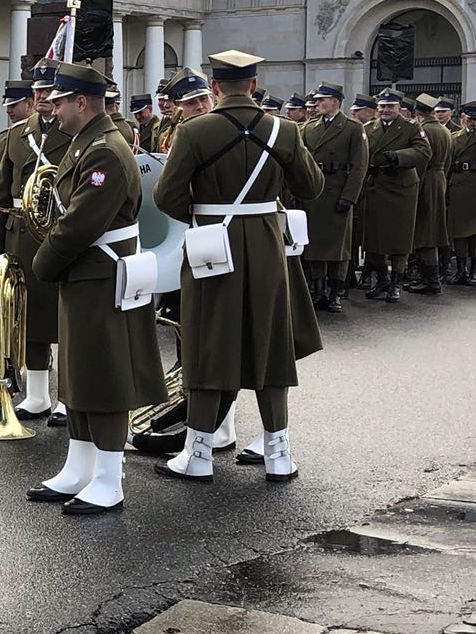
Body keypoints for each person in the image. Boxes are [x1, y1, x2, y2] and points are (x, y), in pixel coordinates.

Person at [152, 50, 322, 483]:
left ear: (214, 87)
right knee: (269, 343)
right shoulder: (285, 129)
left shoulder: (194, 131)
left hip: (213, 243)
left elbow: (166, 196)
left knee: (209, 339)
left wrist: (206, 212)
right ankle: (278, 452)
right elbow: (312, 186)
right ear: (253, 83)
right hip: (265, 245)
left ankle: (200, 453)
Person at [25, 61, 165, 514]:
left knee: (103, 377)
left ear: (81, 102)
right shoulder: (88, 141)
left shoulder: (103, 149)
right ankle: (79, 465)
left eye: (60, 102)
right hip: (86, 273)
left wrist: (42, 262)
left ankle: (108, 476)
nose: (53, 109)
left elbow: (80, 222)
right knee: (81, 371)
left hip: (100, 272)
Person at [0, 72, 67, 414]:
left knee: (63, 314)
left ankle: (67, 396)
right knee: (27, 314)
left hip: (57, 230)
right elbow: (2, 190)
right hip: (20, 232)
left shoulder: (73, 133)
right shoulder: (18, 135)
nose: (44, 96)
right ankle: (37, 392)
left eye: (50, 90)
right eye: (39, 90)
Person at [298, 83, 365, 310]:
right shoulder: (308, 128)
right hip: (316, 193)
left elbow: (359, 166)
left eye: (322, 100)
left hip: (339, 190)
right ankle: (319, 291)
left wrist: (350, 196)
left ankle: (336, 292)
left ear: (335, 101)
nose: (317, 104)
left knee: (339, 248)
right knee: (315, 245)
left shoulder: (352, 128)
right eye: (316, 101)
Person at [357, 90, 424, 302]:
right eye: (383, 106)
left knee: (399, 237)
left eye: (391, 106)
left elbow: (423, 152)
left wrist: (399, 157)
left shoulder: (411, 127)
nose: (386, 110)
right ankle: (382, 279)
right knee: (374, 237)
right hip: (376, 186)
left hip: (401, 188)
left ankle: (396, 282)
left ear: (398, 108)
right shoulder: (369, 128)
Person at [443, 102, 476, 286]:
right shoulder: (454, 137)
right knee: (458, 230)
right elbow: (448, 164)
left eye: (475, 118)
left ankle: (475, 270)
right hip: (458, 185)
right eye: (469, 117)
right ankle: (461, 269)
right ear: (462, 118)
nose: (471, 122)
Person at [407, 94, 450, 295]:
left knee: (426, 232)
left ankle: (430, 280)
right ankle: (429, 278)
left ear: (417, 112)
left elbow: (422, 160)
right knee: (431, 229)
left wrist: (417, 183)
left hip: (426, 181)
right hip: (439, 178)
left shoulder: (423, 130)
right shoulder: (444, 130)